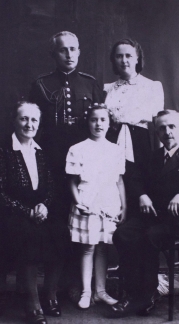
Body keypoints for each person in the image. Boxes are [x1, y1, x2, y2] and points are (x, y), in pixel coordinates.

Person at [110, 110, 179, 317]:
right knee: (123, 234)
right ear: (157, 133)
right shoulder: (154, 157)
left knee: (150, 237)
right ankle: (135, 291)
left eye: (172, 127)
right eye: (162, 128)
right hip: (155, 215)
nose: (167, 132)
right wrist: (142, 195)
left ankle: (144, 295)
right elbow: (135, 178)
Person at [0, 101, 69, 324]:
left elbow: (50, 187)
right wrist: (27, 211)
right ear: (14, 120)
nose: (29, 124)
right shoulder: (4, 150)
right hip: (10, 214)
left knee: (60, 231)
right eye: (24, 119)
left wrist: (44, 206)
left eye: (34, 120)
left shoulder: (40, 151)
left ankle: (49, 296)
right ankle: (32, 305)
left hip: (39, 212)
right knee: (28, 236)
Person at [29, 31, 103, 215]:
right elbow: (33, 123)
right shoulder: (41, 84)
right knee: (55, 206)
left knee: (85, 204)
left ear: (79, 52)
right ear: (53, 53)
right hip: (52, 154)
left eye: (72, 49)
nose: (69, 55)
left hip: (85, 155)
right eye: (63, 50)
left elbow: (101, 121)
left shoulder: (90, 84)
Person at [65, 103, 126, 309]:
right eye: (93, 119)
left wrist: (123, 206)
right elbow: (72, 182)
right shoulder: (77, 149)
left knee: (103, 247)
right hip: (86, 202)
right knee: (88, 247)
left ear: (110, 123)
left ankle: (101, 291)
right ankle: (86, 292)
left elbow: (119, 181)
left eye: (103, 120)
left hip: (109, 202)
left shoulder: (116, 150)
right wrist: (79, 202)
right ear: (87, 122)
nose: (98, 124)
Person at [104, 38, 164, 208]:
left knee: (138, 185)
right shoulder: (107, 88)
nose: (124, 60)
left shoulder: (152, 86)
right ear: (114, 60)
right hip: (111, 139)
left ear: (137, 58)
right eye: (119, 56)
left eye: (129, 56)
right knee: (113, 184)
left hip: (139, 142)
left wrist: (159, 155)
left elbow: (157, 124)